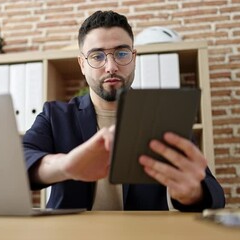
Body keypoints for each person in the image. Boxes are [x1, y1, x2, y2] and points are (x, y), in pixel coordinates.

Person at [23, 10, 225, 211]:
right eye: (97, 56)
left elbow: (214, 193)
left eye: (121, 53)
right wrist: (65, 165)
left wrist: (193, 193)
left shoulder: (162, 117)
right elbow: (20, 161)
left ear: (134, 57)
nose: (111, 66)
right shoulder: (55, 116)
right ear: (82, 64)